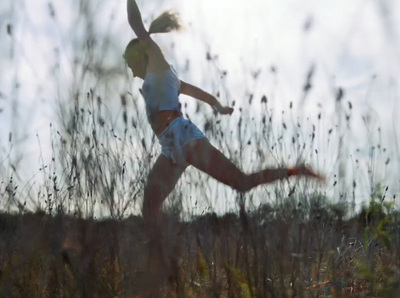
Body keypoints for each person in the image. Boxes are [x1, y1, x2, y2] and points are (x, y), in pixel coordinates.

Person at [124, 0, 323, 290]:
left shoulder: (154, 59)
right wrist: (216, 105)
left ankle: (296, 170)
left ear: (141, 55)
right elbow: (193, 90)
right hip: (170, 150)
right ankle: (166, 272)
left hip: (184, 138)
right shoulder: (162, 77)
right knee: (149, 205)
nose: (131, 72)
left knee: (241, 183)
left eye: (131, 65)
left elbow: (135, 24)